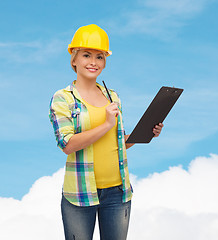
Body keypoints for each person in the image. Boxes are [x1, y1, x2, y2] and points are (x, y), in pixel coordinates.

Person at [49, 24, 163, 240]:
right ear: (73, 59)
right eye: (86, 55)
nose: (93, 62)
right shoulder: (63, 98)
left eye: (100, 57)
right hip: (80, 195)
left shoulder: (113, 97)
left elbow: (117, 143)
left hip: (118, 193)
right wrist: (105, 125)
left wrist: (146, 134)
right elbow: (67, 144)